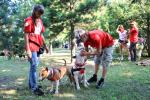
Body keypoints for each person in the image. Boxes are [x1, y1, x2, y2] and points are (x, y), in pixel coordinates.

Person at [24, 5, 49, 96]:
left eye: (41, 14)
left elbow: (41, 35)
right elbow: (26, 35)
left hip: (38, 46)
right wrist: (28, 50)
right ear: (34, 11)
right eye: (38, 13)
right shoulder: (29, 20)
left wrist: (45, 46)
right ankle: (34, 87)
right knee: (34, 65)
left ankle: (31, 85)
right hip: (31, 46)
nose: (39, 15)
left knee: (34, 66)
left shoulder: (40, 21)